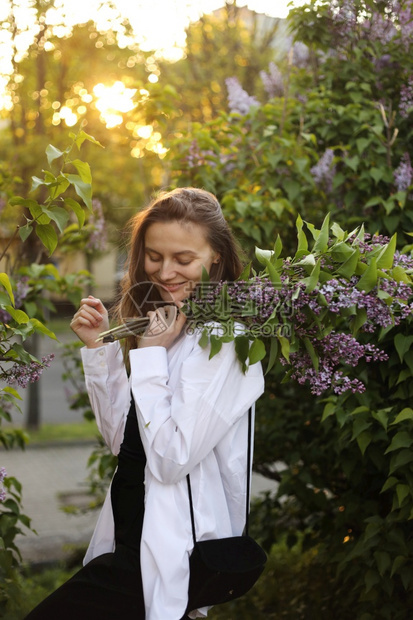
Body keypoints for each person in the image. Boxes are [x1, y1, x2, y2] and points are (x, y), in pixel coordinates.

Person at [25, 187, 264, 620]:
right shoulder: (168, 328)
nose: (165, 271)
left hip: (171, 556)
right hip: (128, 544)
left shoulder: (227, 342)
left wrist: (150, 355)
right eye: (154, 256)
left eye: (183, 259)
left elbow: (171, 459)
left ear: (215, 257)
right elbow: (124, 441)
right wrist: (100, 350)